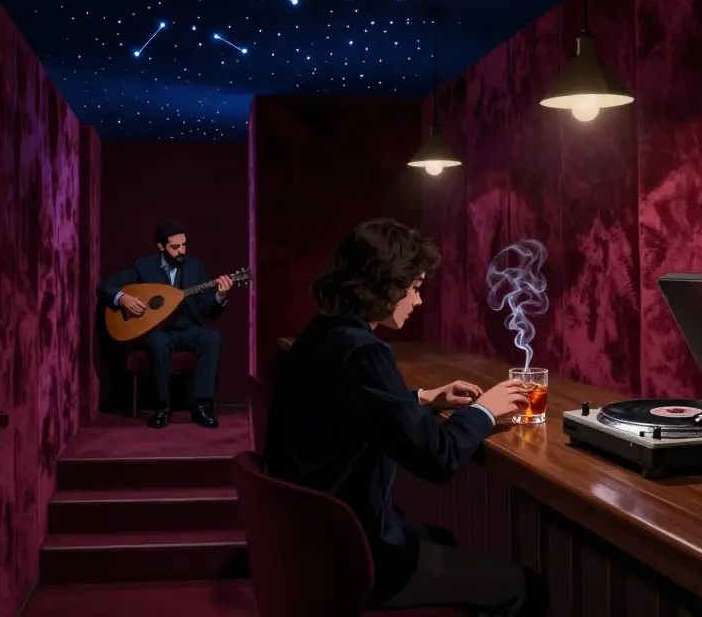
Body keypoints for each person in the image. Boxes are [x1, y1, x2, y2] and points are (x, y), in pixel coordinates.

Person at [263, 218, 549, 616]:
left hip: (310, 543)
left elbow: (351, 406)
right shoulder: (365, 352)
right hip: (353, 555)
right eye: (413, 288)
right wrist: (486, 411)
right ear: (384, 286)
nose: (418, 301)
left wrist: (423, 396)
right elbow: (437, 457)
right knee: (527, 587)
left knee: (441, 538)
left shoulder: (322, 334)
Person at [99, 220, 233, 429]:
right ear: (161, 246)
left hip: (187, 329)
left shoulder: (195, 267)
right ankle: (161, 409)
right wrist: (123, 298)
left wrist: (220, 295)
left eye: (184, 245)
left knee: (212, 338)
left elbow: (208, 309)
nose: (182, 251)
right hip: (158, 331)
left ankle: (202, 408)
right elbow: (105, 286)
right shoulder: (143, 266)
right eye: (175, 246)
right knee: (158, 344)